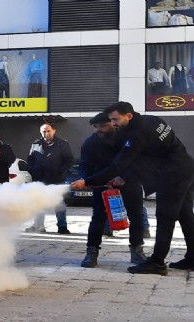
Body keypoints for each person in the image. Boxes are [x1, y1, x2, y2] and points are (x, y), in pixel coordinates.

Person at [71, 101, 194, 275]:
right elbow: (146, 156)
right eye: (111, 120)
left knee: (165, 216)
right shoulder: (152, 119)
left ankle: (157, 263)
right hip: (185, 167)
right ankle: (192, 258)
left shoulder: (136, 135)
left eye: (115, 119)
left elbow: (119, 164)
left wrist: (88, 182)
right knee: (185, 214)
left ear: (128, 115)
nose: (113, 124)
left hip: (172, 175)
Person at [78, 112, 147, 268]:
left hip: (129, 182)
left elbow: (139, 161)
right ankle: (91, 252)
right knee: (97, 218)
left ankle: (137, 251)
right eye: (96, 127)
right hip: (101, 186)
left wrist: (123, 177)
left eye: (102, 126)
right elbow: (84, 164)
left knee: (136, 216)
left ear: (113, 123)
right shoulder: (90, 143)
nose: (98, 130)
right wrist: (86, 179)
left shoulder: (128, 139)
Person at [25, 122, 74, 234]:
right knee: (38, 203)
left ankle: (62, 227)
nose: (46, 133)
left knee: (59, 203)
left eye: (48, 131)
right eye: (44, 131)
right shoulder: (35, 144)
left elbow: (69, 160)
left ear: (54, 131)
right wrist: (32, 169)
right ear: (40, 132)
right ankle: (39, 226)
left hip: (56, 179)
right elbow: (30, 159)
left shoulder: (62, 144)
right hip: (39, 179)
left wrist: (60, 170)